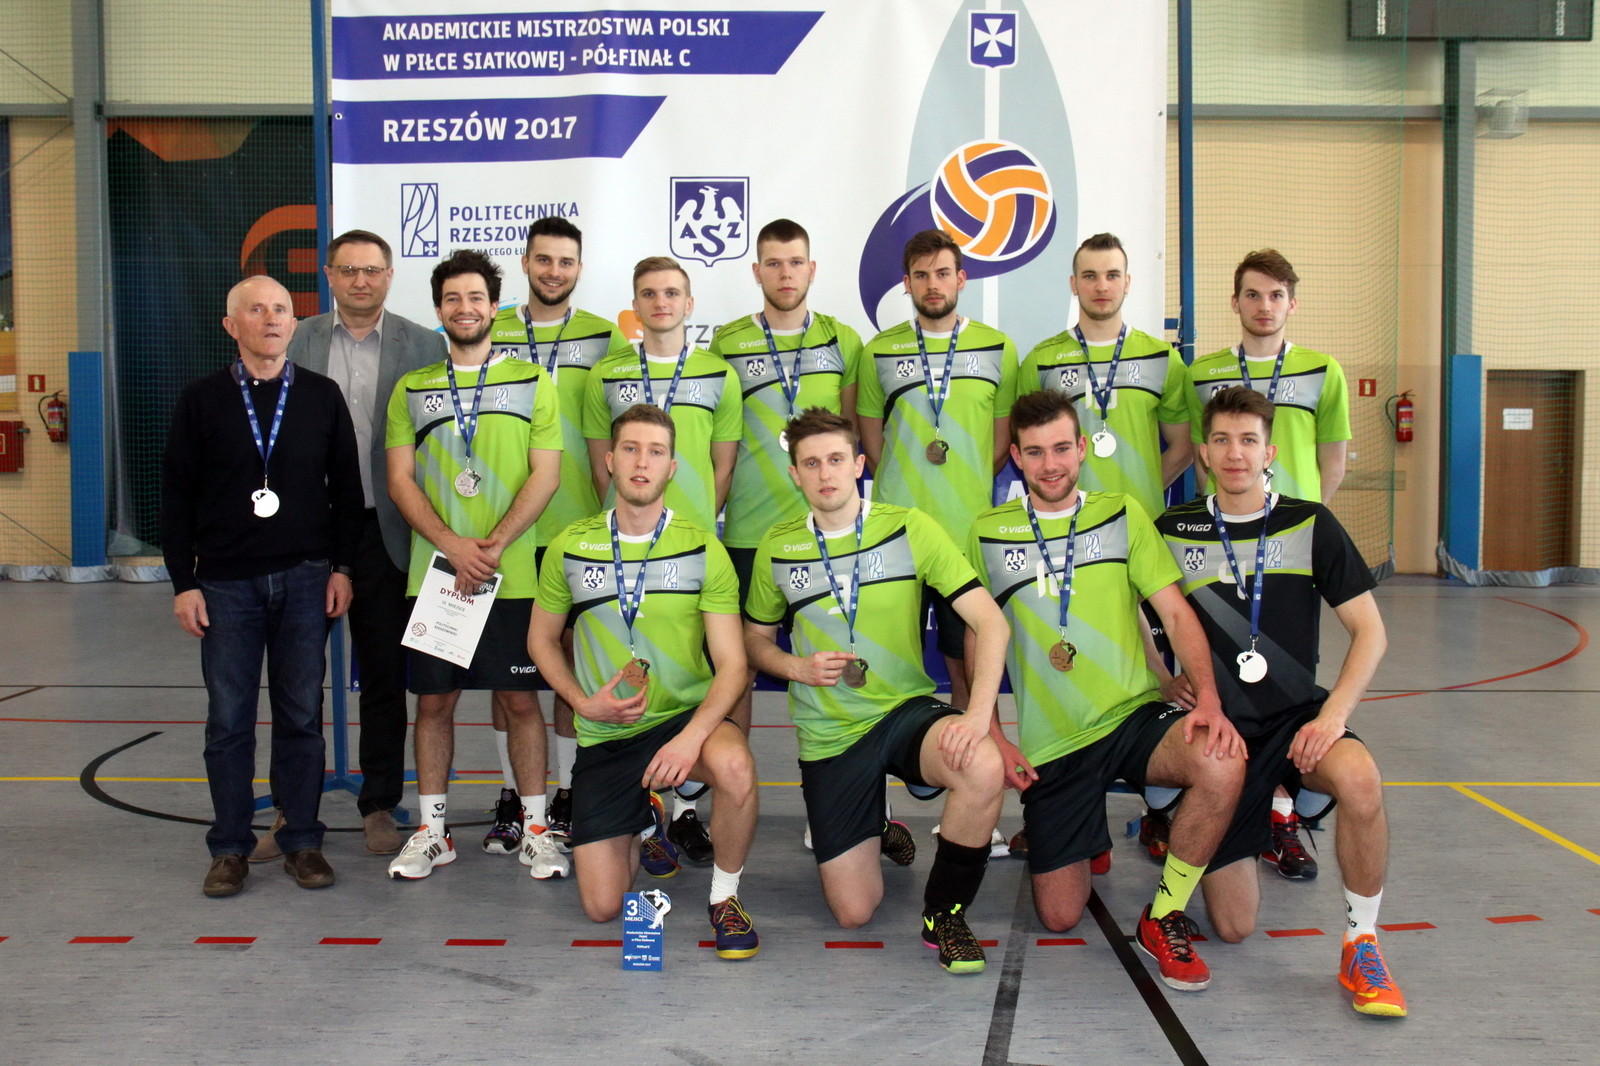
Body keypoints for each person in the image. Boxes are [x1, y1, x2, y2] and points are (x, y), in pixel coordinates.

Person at [966, 388, 1245, 992]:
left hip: (1130, 716)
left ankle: (1163, 914)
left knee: (1221, 762)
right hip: (1054, 745)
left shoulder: (1122, 514)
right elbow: (975, 637)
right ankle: (1084, 830)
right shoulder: (987, 531)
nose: (1050, 465)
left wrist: (1209, 700)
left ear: (1082, 448)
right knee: (1060, 916)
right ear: (1015, 457)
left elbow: (1175, 613)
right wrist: (994, 737)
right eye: (1035, 452)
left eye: (1061, 448)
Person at [1155, 386, 1405, 1017]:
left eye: (1248, 440)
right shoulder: (1172, 530)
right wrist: (1161, 677)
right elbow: (1135, 611)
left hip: (1296, 719)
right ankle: (1253, 815)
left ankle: (1362, 944)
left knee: (1362, 780)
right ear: (1204, 452)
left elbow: (1371, 632)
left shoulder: (1309, 522)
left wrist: (1332, 717)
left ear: (1269, 452)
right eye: (1221, 440)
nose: (1234, 453)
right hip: (1223, 735)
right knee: (1234, 926)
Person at [743, 408, 1007, 974]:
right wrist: (794, 667)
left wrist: (977, 716)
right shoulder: (778, 547)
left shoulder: (910, 527)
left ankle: (946, 914)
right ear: (794, 474)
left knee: (984, 765)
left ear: (860, 464)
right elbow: (754, 641)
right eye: (811, 463)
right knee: (854, 911)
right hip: (831, 731)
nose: (825, 473)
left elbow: (991, 622)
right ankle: (877, 823)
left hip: (903, 712)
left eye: (836, 459)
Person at [529, 404, 762, 960]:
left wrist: (688, 740)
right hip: (607, 735)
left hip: (682, 721)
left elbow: (732, 665)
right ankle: (646, 815)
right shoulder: (570, 545)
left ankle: (725, 897)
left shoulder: (702, 548)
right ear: (610, 461)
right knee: (602, 906)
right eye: (631, 449)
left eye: (656, 452)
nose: (642, 462)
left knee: (735, 767)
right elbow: (540, 641)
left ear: (672, 467)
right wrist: (582, 702)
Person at [163, 275, 363, 898]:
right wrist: (183, 583)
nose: (272, 319)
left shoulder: (322, 396)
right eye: (257, 309)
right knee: (228, 720)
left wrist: (343, 568)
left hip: (306, 580)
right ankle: (229, 847)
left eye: (281, 309)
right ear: (232, 325)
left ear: (293, 325)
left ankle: (301, 839)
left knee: (301, 716)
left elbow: (347, 491)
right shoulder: (200, 400)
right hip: (224, 585)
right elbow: (176, 498)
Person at [384, 249, 565, 882]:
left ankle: (536, 830)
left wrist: (490, 545)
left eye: (476, 297)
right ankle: (433, 833)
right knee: (434, 705)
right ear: (439, 310)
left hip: (510, 576)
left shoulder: (533, 382)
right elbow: (400, 481)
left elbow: (547, 475)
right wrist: (452, 547)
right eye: (453, 299)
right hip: (437, 576)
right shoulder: (412, 388)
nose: (465, 308)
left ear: (494, 307)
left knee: (520, 701)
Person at [274, 228, 445, 858]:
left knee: (381, 675)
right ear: (329, 275)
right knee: (296, 677)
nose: (360, 281)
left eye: (371, 270)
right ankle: (292, 810)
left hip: (386, 529)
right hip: (304, 529)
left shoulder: (425, 345)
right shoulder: (296, 339)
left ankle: (378, 803)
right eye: (348, 270)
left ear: (389, 275)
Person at [1184, 248, 1352, 876]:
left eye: (1276, 295)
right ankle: (1220, 806)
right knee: (1218, 679)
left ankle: (1281, 816)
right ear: (1235, 302)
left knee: (1288, 684)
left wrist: (1300, 531)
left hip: (1289, 555)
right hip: (1221, 547)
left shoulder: (1323, 371)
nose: (1264, 306)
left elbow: (1333, 460)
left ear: (1292, 303)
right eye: (1252, 294)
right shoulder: (1201, 373)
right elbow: (1191, 451)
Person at [704, 219, 864, 863]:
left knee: (831, 668)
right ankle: (734, 799)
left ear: (812, 268)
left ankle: (832, 804)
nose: (785, 273)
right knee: (739, 672)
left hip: (827, 537)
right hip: (750, 535)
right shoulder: (727, 341)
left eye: (795, 261)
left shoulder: (843, 340)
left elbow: (849, 437)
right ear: (757, 272)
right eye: (773, 263)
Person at [487, 217, 633, 851]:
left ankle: (572, 794)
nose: (554, 271)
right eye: (543, 259)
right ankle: (513, 797)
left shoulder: (605, 337)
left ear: (579, 268)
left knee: (573, 668)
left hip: (579, 531)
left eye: (565, 261)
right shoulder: (489, 329)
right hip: (507, 530)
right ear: (524, 263)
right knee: (508, 677)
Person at [856, 228, 1017, 711]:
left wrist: (962, 482)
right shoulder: (878, 351)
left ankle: (974, 744)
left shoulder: (998, 348)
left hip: (965, 531)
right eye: (921, 275)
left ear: (961, 279)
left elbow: (1001, 442)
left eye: (943, 273)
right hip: (896, 533)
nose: (933, 284)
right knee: (891, 657)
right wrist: (906, 484)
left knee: (965, 659)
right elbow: (871, 440)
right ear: (907, 283)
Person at [1017, 232, 1192, 521]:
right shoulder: (1042, 361)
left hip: (1139, 521)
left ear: (1127, 282)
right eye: (1090, 276)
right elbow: (1027, 447)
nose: (1101, 286)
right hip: (1067, 523)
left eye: (1112, 275)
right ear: (1074, 284)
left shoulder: (1162, 359)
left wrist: (1144, 489)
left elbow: (1184, 445)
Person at [582, 256, 741, 536]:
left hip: (693, 534)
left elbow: (724, 468)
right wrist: (630, 520)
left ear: (688, 304)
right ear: (635, 306)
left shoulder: (720, 374)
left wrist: (700, 521)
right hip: (623, 535)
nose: (660, 302)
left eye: (671, 293)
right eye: (648, 294)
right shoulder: (605, 373)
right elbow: (600, 468)